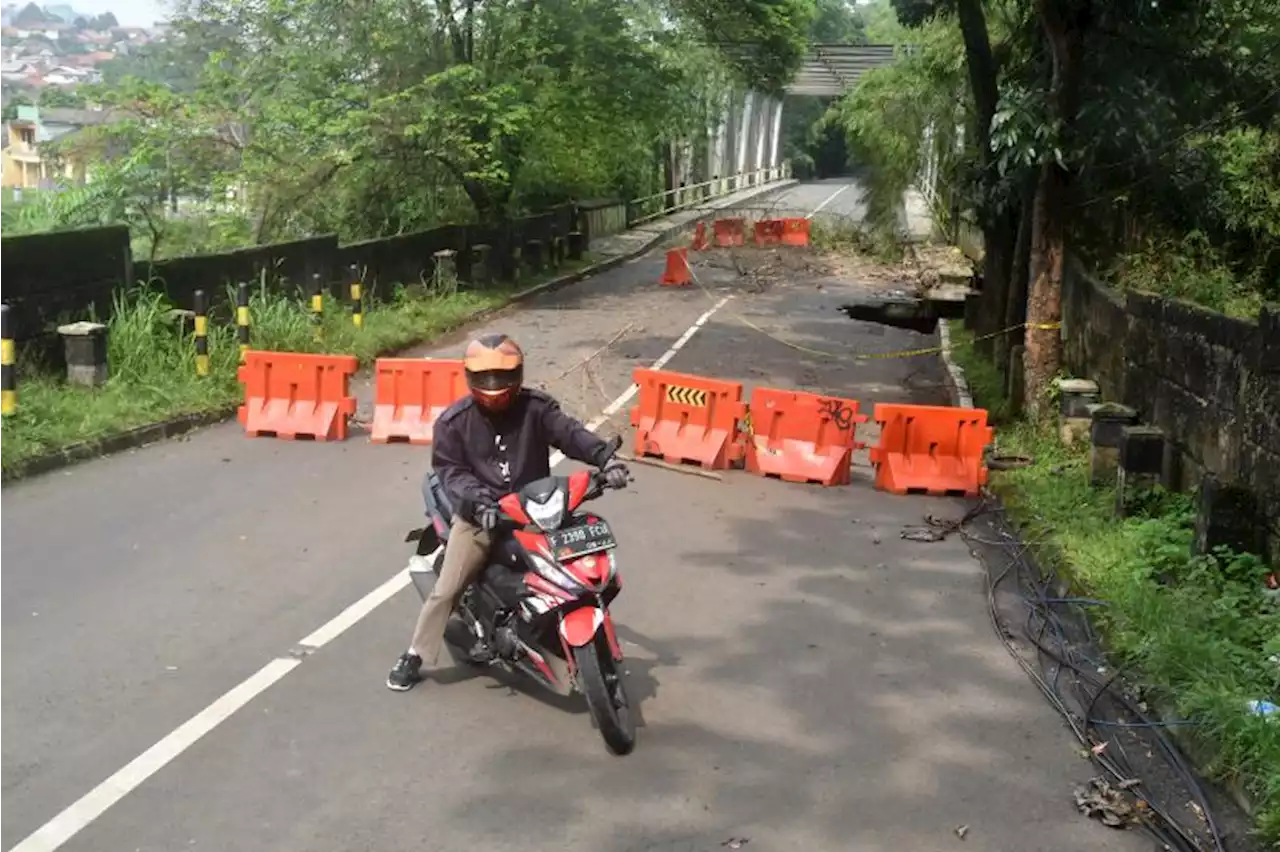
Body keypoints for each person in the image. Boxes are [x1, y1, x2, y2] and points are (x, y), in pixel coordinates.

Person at [387, 332, 630, 691]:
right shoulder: (453, 424)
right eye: (485, 378)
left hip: (537, 511)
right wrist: (478, 501)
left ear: (517, 374)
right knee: (448, 587)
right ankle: (416, 654)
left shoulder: (537, 408)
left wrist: (605, 457)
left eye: (501, 376)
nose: (494, 385)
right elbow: (452, 472)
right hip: (481, 516)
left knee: (580, 563)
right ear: (470, 377)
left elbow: (571, 434)